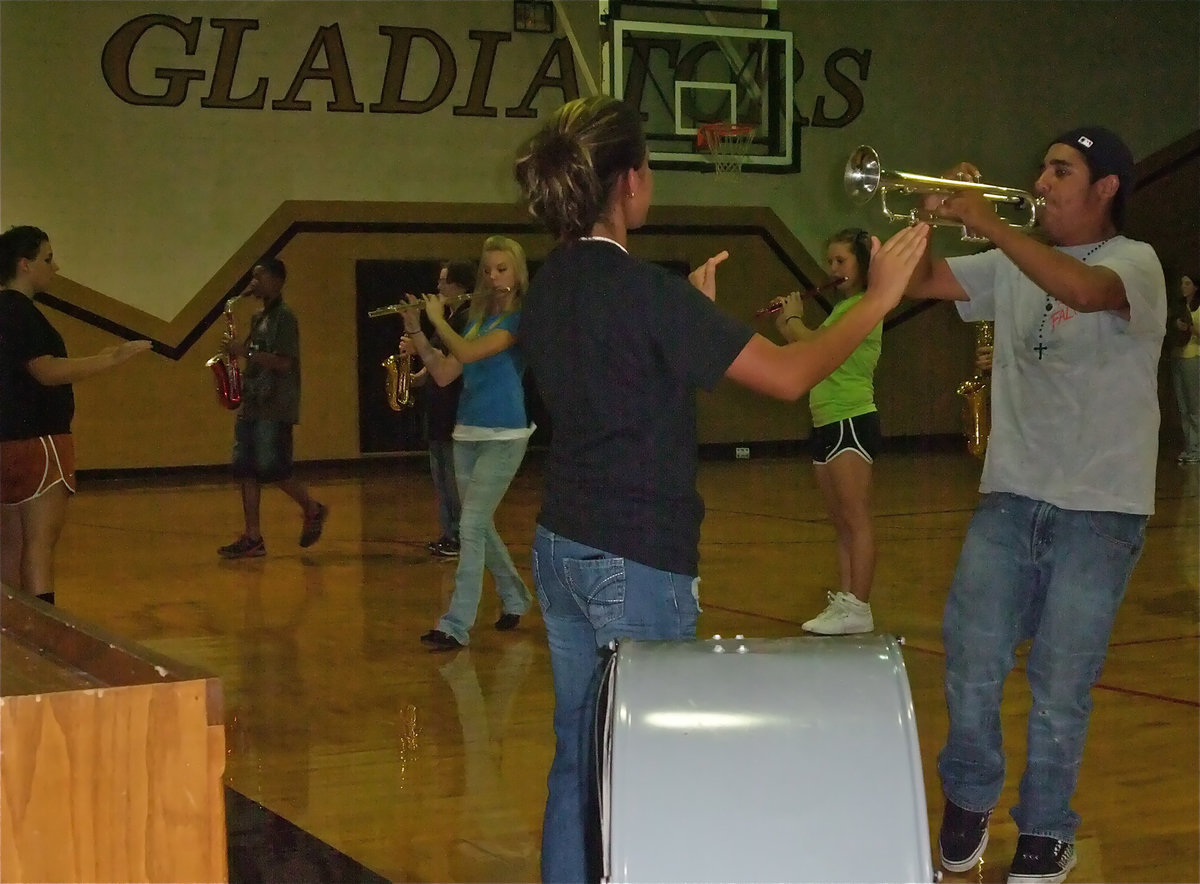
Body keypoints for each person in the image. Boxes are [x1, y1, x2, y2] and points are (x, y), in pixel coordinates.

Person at [512, 94, 929, 884]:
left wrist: (691, 323)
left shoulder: (552, 285)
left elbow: (619, 386)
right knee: (646, 765)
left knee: (579, 753)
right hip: (635, 556)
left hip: (562, 543)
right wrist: (874, 300)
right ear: (631, 182)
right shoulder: (644, 291)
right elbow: (788, 373)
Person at [904, 126, 1165, 884]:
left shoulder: (1134, 262)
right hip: (1013, 495)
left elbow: (1083, 294)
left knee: (1060, 681)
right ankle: (969, 795)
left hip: (1101, 508)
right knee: (972, 658)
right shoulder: (1008, 260)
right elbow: (918, 282)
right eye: (1043, 167)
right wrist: (930, 215)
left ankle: (1048, 827)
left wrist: (986, 220)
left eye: (1061, 170)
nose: (1041, 181)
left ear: (1105, 188)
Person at [0, 225, 152, 604]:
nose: (56, 267)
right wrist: (110, 361)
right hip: (40, 442)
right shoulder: (24, 314)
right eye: (48, 259)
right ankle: (43, 643)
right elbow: (45, 370)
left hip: (4, 444)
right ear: (24, 264)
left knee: (8, 548)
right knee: (38, 548)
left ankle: (10, 641)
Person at [400, 236, 534, 651]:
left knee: (471, 525)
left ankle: (455, 623)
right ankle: (515, 597)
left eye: (502, 269)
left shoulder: (517, 320)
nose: (493, 277)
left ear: (517, 274)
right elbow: (444, 373)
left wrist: (439, 320)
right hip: (468, 433)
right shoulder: (477, 318)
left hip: (505, 435)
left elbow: (471, 354)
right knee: (480, 525)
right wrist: (417, 330)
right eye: (488, 270)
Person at [772, 227, 882, 634]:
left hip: (851, 418)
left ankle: (860, 606)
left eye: (842, 261)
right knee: (840, 522)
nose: (833, 268)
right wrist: (787, 323)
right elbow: (806, 352)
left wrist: (798, 320)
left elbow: (822, 345)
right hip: (825, 421)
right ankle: (847, 603)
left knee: (856, 519)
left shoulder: (866, 305)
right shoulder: (841, 310)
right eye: (830, 261)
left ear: (862, 265)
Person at [217, 258, 328, 558]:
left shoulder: (285, 318)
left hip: (276, 404)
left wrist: (246, 352)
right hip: (252, 402)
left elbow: (284, 362)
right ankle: (253, 537)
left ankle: (312, 508)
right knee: (246, 470)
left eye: (259, 277)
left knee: (272, 467)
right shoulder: (258, 318)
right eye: (252, 278)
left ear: (277, 281)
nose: (253, 283)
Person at [413, 259, 474, 558]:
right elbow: (436, 361)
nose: (438, 288)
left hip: (455, 408)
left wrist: (418, 342)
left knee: (452, 480)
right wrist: (416, 378)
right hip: (437, 408)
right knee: (441, 480)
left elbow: (453, 361)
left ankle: (459, 536)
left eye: (443, 281)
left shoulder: (465, 319)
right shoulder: (449, 319)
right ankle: (448, 533)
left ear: (460, 286)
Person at [1170, 271, 1199, 464]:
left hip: (1193, 357)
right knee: (1183, 406)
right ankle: (1190, 446)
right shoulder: (1178, 307)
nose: (1183, 287)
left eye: (1187, 283)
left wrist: (1189, 328)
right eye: (1182, 283)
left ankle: (1198, 447)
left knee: (1194, 405)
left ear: (1196, 287)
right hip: (1177, 355)